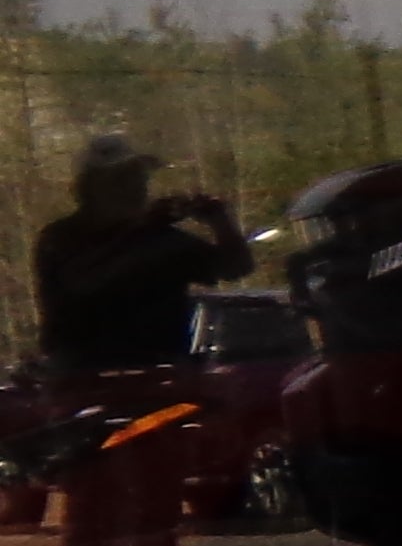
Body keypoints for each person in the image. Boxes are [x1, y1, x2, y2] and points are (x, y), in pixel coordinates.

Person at [33, 138, 251, 376]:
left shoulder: (161, 237)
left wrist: (220, 221)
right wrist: (142, 229)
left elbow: (235, 268)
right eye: (120, 180)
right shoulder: (61, 238)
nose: (136, 188)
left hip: (162, 374)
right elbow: (85, 282)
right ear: (87, 190)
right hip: (83, 379)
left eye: (138, 177)